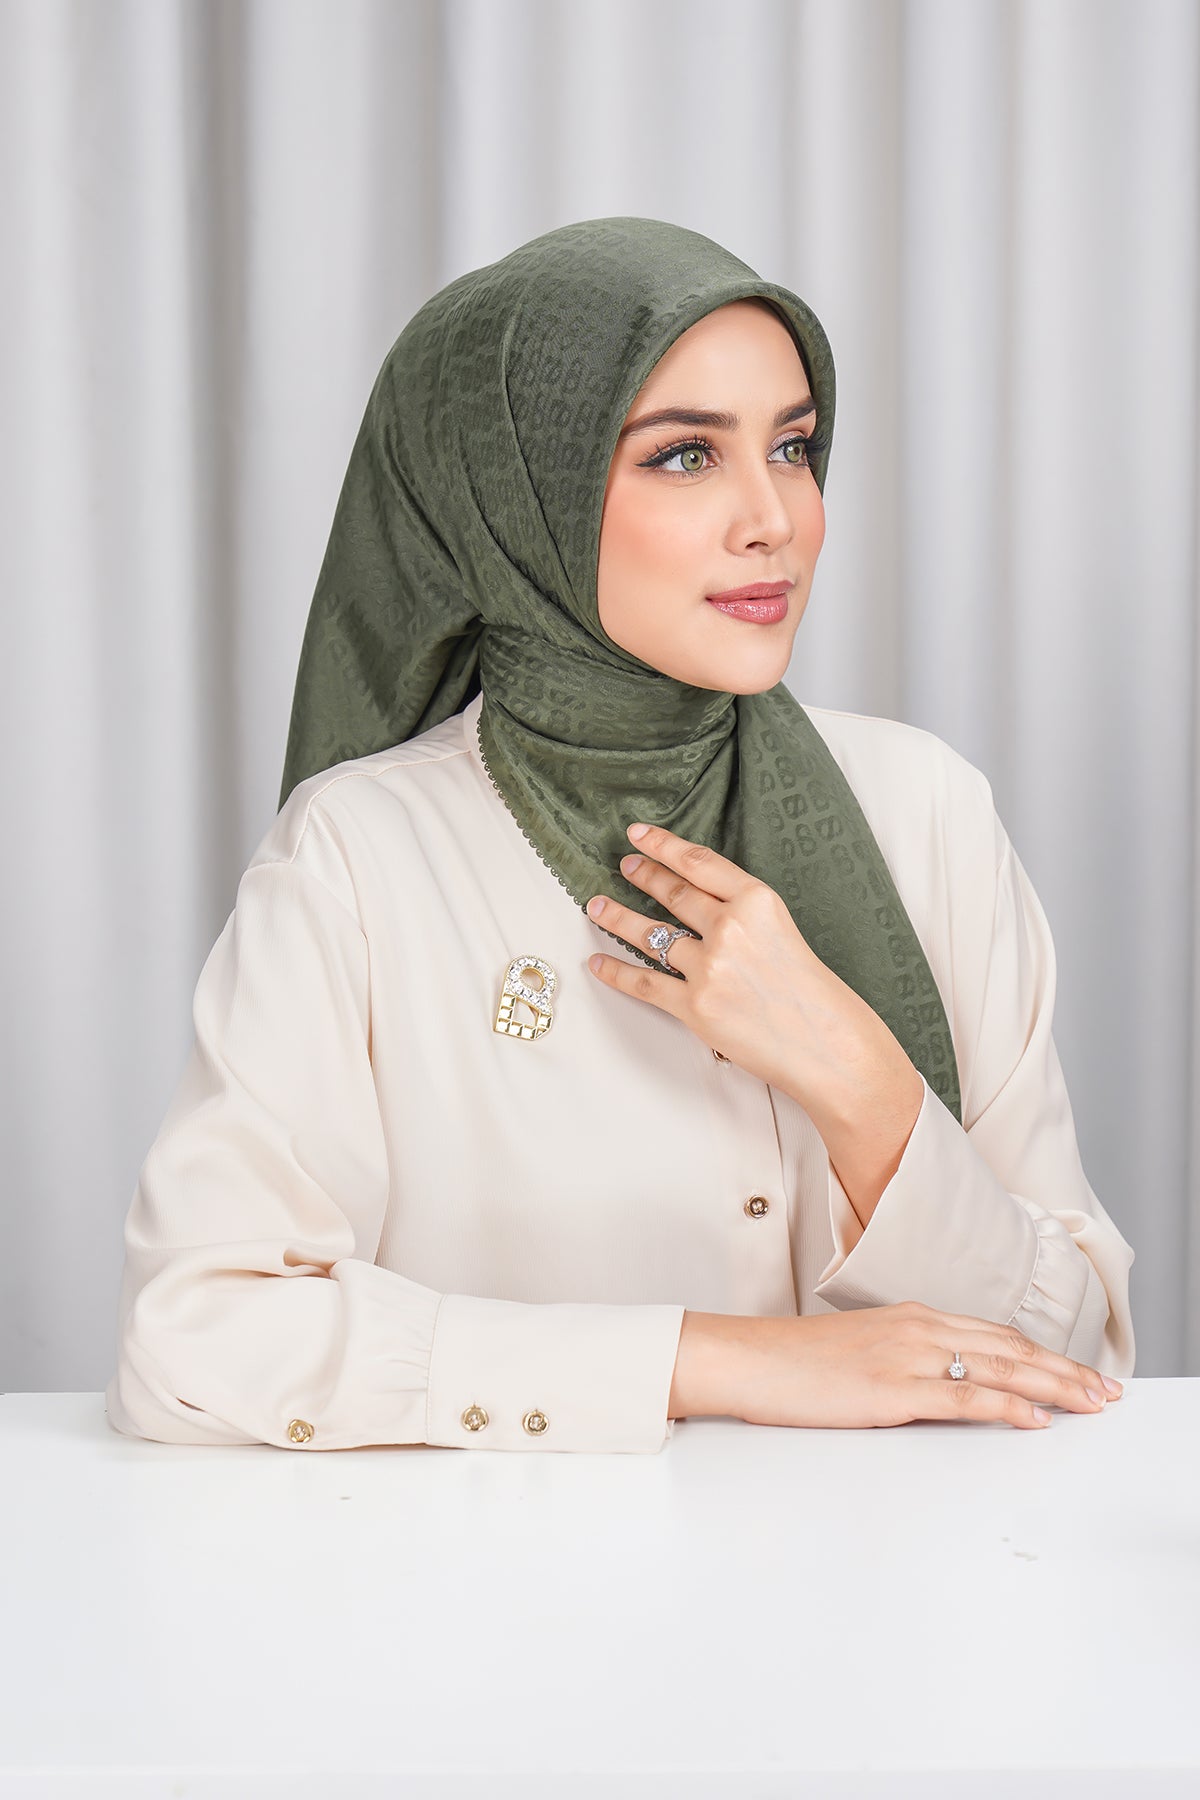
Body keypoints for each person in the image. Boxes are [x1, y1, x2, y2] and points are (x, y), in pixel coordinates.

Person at [104, 216, 1134, 1456]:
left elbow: (1074, 1359)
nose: (774, 518)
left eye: (793, 446)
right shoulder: (361, 857)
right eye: (686, 455)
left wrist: (858, 1077)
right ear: (516, 491)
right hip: (507, 1576)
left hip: (904, 1569)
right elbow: (192, 1346)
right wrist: (717, 1361)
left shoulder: (926, 812)